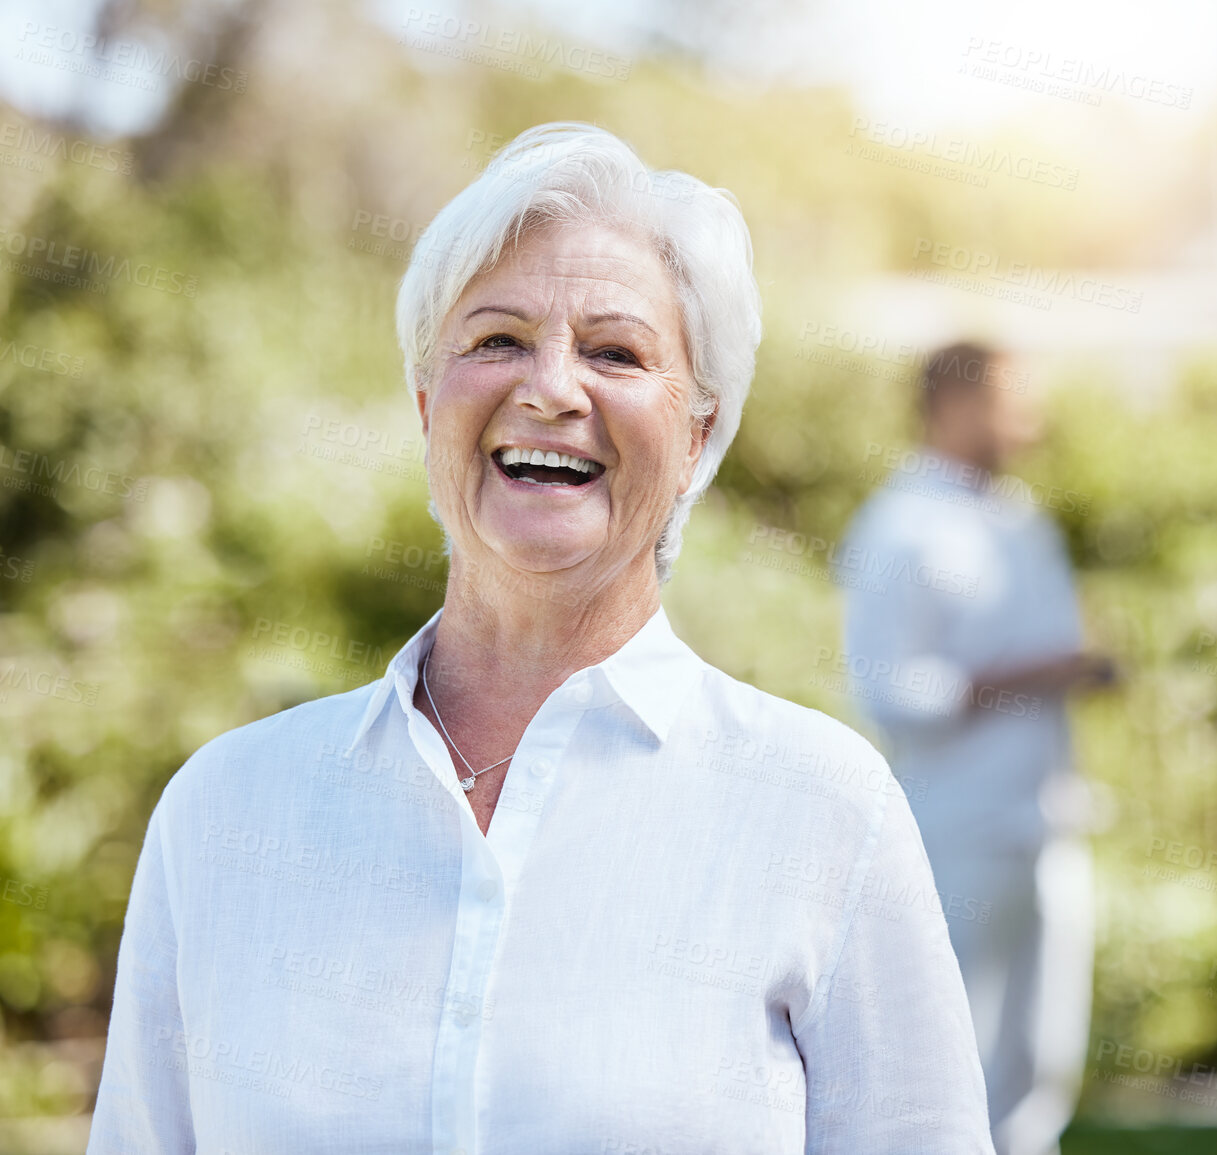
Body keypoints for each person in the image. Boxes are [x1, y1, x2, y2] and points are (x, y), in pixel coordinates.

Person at [89, 123, 992, 1153]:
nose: (552, 388)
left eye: (615, 352)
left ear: (698, 436)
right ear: (429, 405)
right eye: (497, 341)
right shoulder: (226, 810)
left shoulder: (825, 810)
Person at [838, 343, 1114, 1155]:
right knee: (955, 1059)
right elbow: (892, 689)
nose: (1030, 421)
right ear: (954, 405)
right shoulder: (901, 525)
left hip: (1045, 819)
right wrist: (1038, 674)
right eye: (1012, 401)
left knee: (1040, 1061)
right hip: (956, 827)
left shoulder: (1020, 519)